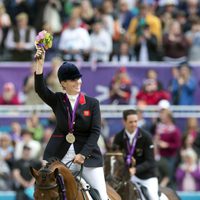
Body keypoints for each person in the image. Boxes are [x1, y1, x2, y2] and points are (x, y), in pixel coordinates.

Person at [34, 47, 109, 200]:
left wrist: (83, 154)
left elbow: (95, 131)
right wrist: (40, 65)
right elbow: (40, 89)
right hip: (60, 156)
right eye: (73, 80)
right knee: (44, 189)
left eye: (78, 78)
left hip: (87, 158)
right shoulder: (57, 100)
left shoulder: (92, 103)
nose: (78, 82)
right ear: (63, 83)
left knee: (102, 196)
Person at [113, 109, 159, 200]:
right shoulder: (118, 137)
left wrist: (135, 169)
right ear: (124, 122)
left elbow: (150, 161)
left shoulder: (146, 137)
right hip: (127, 177)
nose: (134, 124)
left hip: (147, 177)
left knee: (153, 197)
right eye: (131, 122)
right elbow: (115, 158)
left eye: (135, 121)